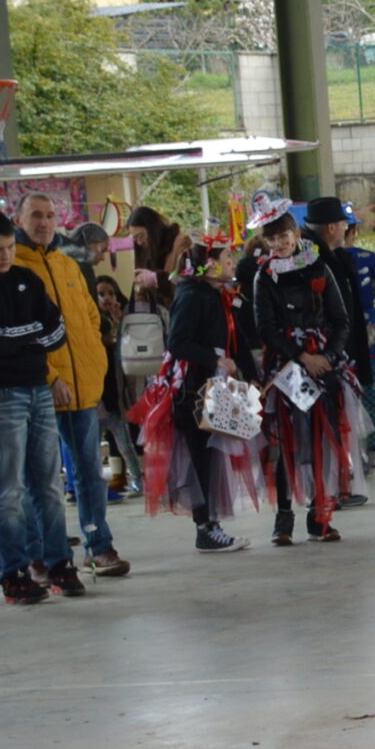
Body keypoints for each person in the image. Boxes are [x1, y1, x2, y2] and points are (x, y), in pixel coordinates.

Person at [0, 207, 75, 606]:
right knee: (8, 488)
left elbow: (58, 330)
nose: (4, 257)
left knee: (49, 484)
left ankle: (59, 564)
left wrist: (23, 338)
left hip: (37, 388)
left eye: (8, 248)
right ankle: (14, 571)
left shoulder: (27, 278)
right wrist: (31, 334)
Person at [9, 193, 123, 577]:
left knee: (91, 472)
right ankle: (41, 553)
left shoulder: (68, 264)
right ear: (18, 218)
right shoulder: (13, 267)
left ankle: (99, 546)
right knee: (41, 481)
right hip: (40, 391)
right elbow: (18, 332)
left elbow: (90, 316)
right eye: (35, 215)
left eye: (49, 215)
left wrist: (94, 363)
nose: (43, 222)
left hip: (82, 389)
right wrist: (51, 376)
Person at [245, 193, 362, 543]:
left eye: (285, 236)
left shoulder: (319, 267)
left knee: (322, 441)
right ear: (265, 242)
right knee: (286, 442)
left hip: (324, 366)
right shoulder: (263, 277)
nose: (280, 244)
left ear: (296, 235)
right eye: (272, 239)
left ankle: (318, 515)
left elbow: (341, 319)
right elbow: (264, 327)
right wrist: (300, 355)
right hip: (286, 368)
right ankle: (283, 518)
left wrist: (328, 355)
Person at [136, 235, 258, 550]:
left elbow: (237, 338)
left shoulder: (218, 294)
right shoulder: (193, 295)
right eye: (226, 256)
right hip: (194, 390)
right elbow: (177, 342)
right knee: (202, 457)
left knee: (215, 455)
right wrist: (215, 359)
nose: (232, 261)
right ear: (208, 264)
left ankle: (212, 522)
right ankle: (205, 527)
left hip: (218, 386)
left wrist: (253, 376)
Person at [304, 196, 375, 483]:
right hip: (323, 356)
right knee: (324, 422)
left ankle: (337, 479)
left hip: (340, 352)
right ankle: (328, 484)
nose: (344, 229)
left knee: (340, 416)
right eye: (342, 224)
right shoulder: (311, 260)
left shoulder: (336, 258)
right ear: (330, 228)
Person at [90, 272, 148, 497]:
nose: (106, 298)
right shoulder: (92, 321)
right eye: (101, 294)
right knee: (93, 445)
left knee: (124, 442)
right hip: (96, 394)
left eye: (111, 293)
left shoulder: (122, 319)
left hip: (114, 395)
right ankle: (97, 485)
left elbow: (127, 348)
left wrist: (118, 322)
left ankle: (137, 480)